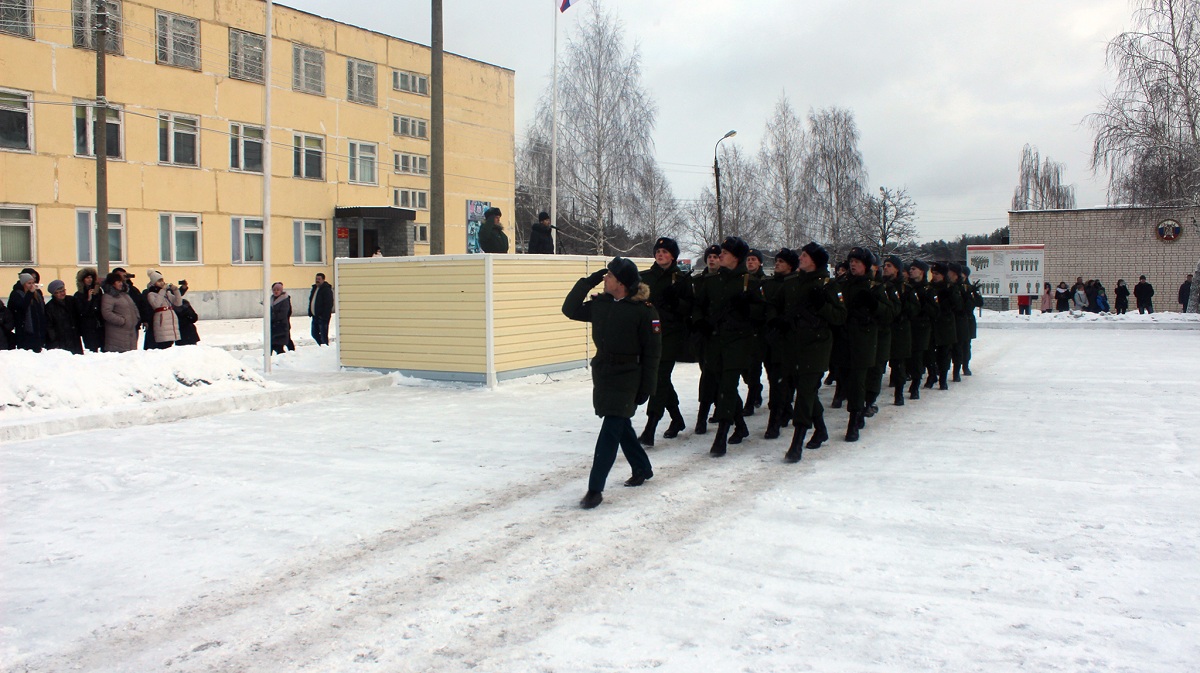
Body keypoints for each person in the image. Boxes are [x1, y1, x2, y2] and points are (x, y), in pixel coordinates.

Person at [562, 257, 661, 510]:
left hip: (630, 375)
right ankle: (642, 467)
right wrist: (588, 282)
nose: (605, 278)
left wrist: (647, 387)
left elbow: (653, 352)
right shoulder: (602, 304)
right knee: (620, 423)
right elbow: (570, 309)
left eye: (609, 276)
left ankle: (595, 489)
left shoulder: (644, 310)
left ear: (621, 283)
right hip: (604, 373)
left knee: (611, 428)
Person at [691, 236, 762, 456]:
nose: (720, 256)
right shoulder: (711, 281)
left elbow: (763, 313)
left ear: (736, 257)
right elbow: (698, 306)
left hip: (738, 342)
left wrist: (747, 307)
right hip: (715, 340)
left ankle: (721, 434)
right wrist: (700, 322)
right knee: (723, 385)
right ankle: (740, 425)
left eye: (725, 253)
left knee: (728, 385)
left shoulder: (750, 282)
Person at [777, 243, 846, 460]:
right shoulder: (793, 283)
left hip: (817, 347)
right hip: (795, 345)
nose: (801, 258)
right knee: (805, 391)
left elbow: (840, 317)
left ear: (814, 261)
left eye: (804, 256)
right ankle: (821, 429)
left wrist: (822, 306)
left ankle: (797, 441)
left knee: (805, 393)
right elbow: (780, 309)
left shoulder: (829, 285)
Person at [637, 237, 693, 446]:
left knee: (658, 377)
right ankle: (677, 419)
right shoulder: (644, 277)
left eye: (665, 252)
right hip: (649, 335)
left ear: (673, 256)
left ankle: (651, 425)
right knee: (660, 379)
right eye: (658, 251)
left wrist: (676, 302)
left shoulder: (681, 279)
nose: (660, 254)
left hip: (671, 335)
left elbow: (690, 308)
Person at [741, 248, 767, 415]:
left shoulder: (764, 281)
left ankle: (750, 402)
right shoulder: (743, 280)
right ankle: (756, 388)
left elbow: (764, 306)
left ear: (760, 263)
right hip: (743, 329)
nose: (750, 262)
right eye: (748, 259)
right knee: (745, 368)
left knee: (754, 367)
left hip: (758, 331)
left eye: (753, 260)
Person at [906, 260, 937, 400]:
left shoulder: (929, 289)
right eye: (910, 269)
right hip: (908, 326)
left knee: (918, 357)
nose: (911, 271)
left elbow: (935, 310)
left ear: (922, 271)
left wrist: (922, 304)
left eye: (914, 269)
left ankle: (916, 385)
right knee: (909, 358)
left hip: (922, 327)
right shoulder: (907, 287)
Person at [100, 271, 140, 352]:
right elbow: (107, 313)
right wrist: (122, 321)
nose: (121, 283)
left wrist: (136, 317)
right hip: (117, 333)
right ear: (112, 284)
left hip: (129, 333)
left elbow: (133, 307)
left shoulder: (124, 295)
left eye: (121, 281)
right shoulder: (108, 296)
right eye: (118, 282)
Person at [143, 270, 183, 348]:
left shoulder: (167, 293)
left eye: (162, 281)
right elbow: (156, 305)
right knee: (163, 342)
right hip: (162, 321)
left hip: (170, 322)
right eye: (159, 281)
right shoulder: (151, 294)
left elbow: (178, 303)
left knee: (169, 343)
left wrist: (176, 291)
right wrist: (163, 290)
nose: (162, 283)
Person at [8, 271, 46, 352]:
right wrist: (30, 294)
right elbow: (22, 307)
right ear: (23, 284)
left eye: (33, 283)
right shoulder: (16, 294)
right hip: (24, 330)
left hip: (36, 329)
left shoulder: (36, 294)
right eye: (29, 283)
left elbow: (40, 310)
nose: (32, 285)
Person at [44, 279, 83, 354]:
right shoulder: (49, 307)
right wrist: (54, 342)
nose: (62, 293)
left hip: (74, 338)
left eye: (63, 291)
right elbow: (49, 327)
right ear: (54, 294)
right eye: (58, 292)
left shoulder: (72, 301)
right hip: (60, 341)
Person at [74, 267, 105, 351]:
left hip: (99, 324)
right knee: (92, 348)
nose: (89, 279)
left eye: (91, 277)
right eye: (87, 277)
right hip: (88, 326)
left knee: (103, 346)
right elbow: (81, 311)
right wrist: (89, 299)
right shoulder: (78, 295)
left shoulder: (98, 291)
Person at [308, 272, 334, 345]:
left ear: (323, 280)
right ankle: (321, 345)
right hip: (315, 316)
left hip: (322, 317)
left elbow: (329, 304)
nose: (317, 280)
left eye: (319, 279)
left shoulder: (326, 290)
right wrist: (310, 311)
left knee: (323, 334)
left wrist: (324, 315)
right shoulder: (314, 288)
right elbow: (311, 300)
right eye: (316, 279)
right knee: (314, 333)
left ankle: (324, 347)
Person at [270, 282, 295, 354]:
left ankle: (290, 355)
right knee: (272, 344)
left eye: (278, 290)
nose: (276, 291)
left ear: (281, 291)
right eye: (274, 290)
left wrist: (273, 317)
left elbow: (283, 313)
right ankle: (267, 359)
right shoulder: (271, 299)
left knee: (279, 345)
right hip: (274, 326)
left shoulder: (284, 299)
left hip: (281, 325)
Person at [173, 280, 201, 346]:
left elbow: (194, 318)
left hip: (182, 335)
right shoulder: (184, 304)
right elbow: (194, 318)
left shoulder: (171, 306)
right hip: (189, 334)